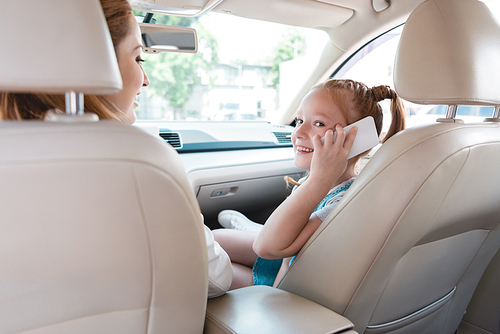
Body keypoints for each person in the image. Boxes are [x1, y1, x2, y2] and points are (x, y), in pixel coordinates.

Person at [0, 0, 232, 299]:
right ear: (94, 61)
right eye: (139, 59)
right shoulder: (141, 162)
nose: (146, 80)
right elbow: (217, 279)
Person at [213, 79, 406, 289]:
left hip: (282, 286)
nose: (298, 133)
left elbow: (265, 247)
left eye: (319, 124)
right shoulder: (316, 184)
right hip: (281, 257)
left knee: (206, 270)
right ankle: (256, 228)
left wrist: (318, 180)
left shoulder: (341, 203)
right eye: (299, 121)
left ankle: (257, 230)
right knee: (214, 238)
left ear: (357, 138)